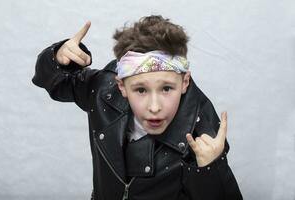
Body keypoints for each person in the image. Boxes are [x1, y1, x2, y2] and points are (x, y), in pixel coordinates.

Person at [32, 15, 243, 200]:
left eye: (167, 88)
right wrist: (58, 58)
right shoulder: (103, 91)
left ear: (184, 82)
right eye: (141, 90)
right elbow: (54, 82)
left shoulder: (201, 128)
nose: (154, 107)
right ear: (121, 86)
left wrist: (210, 169)